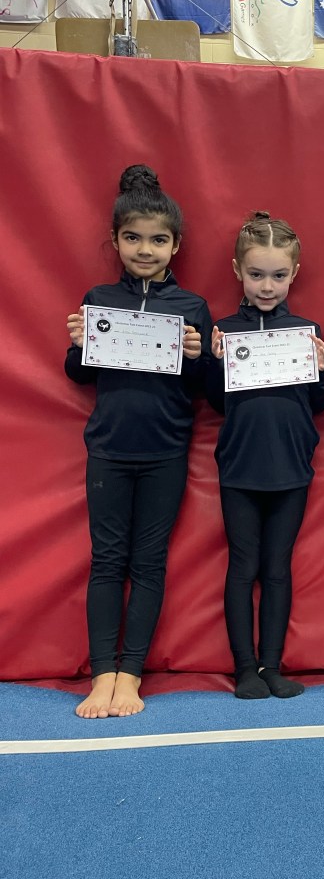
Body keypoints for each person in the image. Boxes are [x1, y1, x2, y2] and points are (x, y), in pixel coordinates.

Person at [65, 165, 212, 719]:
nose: (144, 250)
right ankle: (102, 675)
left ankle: (130, 676)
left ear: (175, 245)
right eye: (132, 238)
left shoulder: (191, 307)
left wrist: (198, 358)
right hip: (108, 450)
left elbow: (204, 388)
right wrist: (79, 344)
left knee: (149, 563)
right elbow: (80, 374)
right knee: (107, 561)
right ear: (116, 241)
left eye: (157, 240)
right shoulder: (99, 299)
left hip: (165, 451)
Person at [208, 212, 324, 700]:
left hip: (291, 467)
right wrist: (214, 363)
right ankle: (244, 668)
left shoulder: (305, 331)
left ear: (294, 274)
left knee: (277, 568)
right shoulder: (224, 331)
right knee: (244, 567)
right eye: (256, 274)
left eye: (278, 275)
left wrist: (323, 370)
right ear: (237, 270)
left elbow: (319, 402)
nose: (267, 286)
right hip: (240, 468)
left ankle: (271, 666)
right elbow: (215, 402)